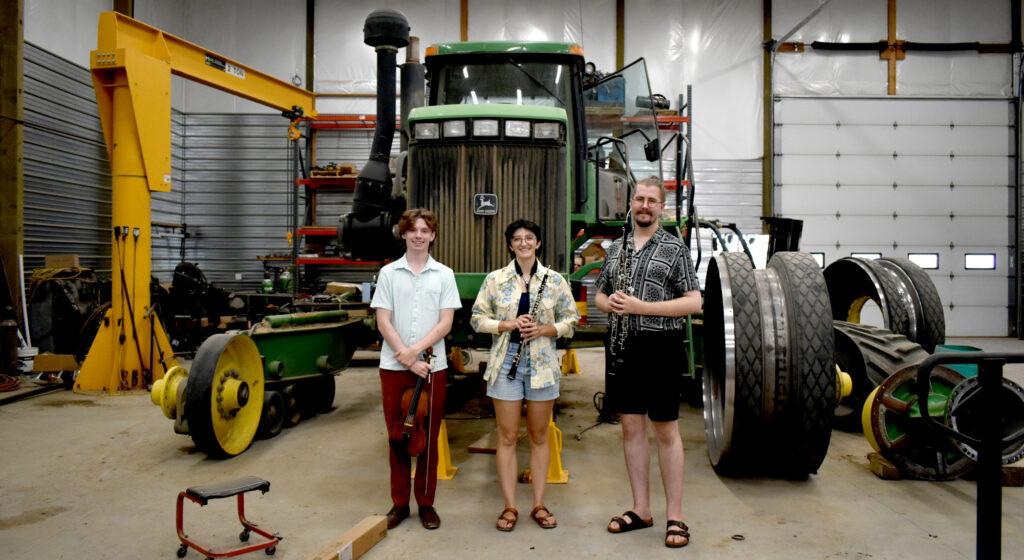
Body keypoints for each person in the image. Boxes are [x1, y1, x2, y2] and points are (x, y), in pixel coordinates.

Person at [594, 176, 702, 548]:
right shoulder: (615, 248)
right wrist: (608, 304)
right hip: (623, 347)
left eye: (652, 201)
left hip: (661, 346)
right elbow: (600, 295)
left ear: (662, 208)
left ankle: (676, 516)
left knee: (666, 431)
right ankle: (641, 509)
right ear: (631, 203)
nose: (644, 205)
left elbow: (694, 302)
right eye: (639, 199)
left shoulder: (675, 248)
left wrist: (643, 308)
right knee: (630, 429)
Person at [470, 219, 579, 532]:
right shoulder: (496, 279)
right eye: (517, 239)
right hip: (505, 364)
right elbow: (477, 319)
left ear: (538, 243)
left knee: (539, 436)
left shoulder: (555, 280)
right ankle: (510, 506)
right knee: (506, 436)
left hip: (542, 364)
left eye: (529, 238)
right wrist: (506, 325)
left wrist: (544, 329)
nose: (523, 243)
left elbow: (572, 320)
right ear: (510, 245)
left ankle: (539, 504)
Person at [370, 208, 461, 530]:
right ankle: (399, 504)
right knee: (397, 437)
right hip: (394, 367)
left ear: (433, 236)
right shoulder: (389, 274)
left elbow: (446, 322)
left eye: (425, 230)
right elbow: (383, 319)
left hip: (432, 369)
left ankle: (426, 503)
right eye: (413, 230)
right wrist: (406, 356)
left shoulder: (444, 275)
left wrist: (417, 354)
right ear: (404, 234)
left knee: (428, 437)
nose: (419, 235)